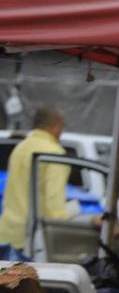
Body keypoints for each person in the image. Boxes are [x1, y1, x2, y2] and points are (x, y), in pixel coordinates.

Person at [0, 107, 81, 260]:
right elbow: (54, 210)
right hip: (30, 242)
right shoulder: (54, 153)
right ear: (56, 125)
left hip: (6, 234)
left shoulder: (20, 147)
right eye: (61, 127)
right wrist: (74, 210)